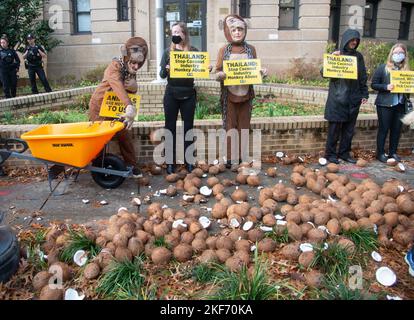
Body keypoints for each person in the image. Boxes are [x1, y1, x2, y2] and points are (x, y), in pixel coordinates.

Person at [89, 37, 148, 177]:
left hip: (117, 108)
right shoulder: (114, 66)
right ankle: (98, 167)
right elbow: (117, 85)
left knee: (124, 136)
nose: (135, 66)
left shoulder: (131, 70)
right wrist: (129, 106)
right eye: (133, 63)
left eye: (139, 64)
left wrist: (134, 88)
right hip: (100, 107)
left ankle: (132, 165)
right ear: (126, 56)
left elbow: (129, 92)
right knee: (99, 138)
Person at [215, 15, 267, 169]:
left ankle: (242, 155)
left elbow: (254, 69)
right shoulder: (224, 50)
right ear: (229, 32)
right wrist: (220, 75)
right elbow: (217, 71)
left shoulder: (251, 49)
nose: (237, 32)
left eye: (240, 29)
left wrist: (261, 72)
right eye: (234, 30)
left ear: (245, 31)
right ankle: (231, 157)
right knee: (230, 126)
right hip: (229, 95)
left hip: (246, 94)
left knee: (244, 126)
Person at [323, 29, 369, 164]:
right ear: (346, 40)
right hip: (337, 99)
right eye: (352, 40)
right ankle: (330, 154)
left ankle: (344, 153)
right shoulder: (337, 54)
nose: (354, 42)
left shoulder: (358, 57)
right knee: (334, 130)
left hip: (353, 99)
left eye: (356, 40)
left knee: (349, 130)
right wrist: (332, 58)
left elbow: (363, 77)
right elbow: (324, 73)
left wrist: (364, 93)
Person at [160, 22, 199, 174]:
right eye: (173, 32)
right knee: (170, 128)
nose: (175, 34)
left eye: (178, 31)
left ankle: (189, 161)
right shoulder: (167, 53)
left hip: (188, 94)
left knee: (188, 128)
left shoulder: (193, 51)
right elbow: (162, 75)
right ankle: (170, 162)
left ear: (184, 34)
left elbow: (199, 70)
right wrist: (166, 68)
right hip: (171, 94)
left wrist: (204, 68)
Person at [371, 43, 410, 163]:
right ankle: (381, 153)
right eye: (396, 53)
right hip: (385, 104)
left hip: (400, 105)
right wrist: (386, 86)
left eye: (401, 53)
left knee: (396, 129)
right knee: (384, 129)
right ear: (392, 54)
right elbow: (374, 84)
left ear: (405, 55)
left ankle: (393, 152)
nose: (398, 55)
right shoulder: (383, 68)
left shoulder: (406, 71)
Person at [0, 34, 20, 99]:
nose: (2, 44)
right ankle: (8, 99)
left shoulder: (12, 51)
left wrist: (17, 68)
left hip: (12, 70)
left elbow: (18, 60)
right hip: (3, 71)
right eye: (1, 43)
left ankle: (14, 97)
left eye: (4, 42)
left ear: (7, 43)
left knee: (13, 84)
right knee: (5, 86)